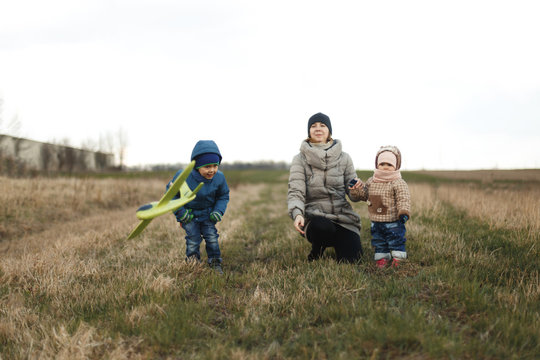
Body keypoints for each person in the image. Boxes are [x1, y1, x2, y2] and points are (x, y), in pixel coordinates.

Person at [287, 112, 363, 263]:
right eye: (313, 126)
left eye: (322, 125)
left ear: (329, 131)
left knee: (353, 260)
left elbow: (353, 195)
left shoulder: (345, 157)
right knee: (321, 226)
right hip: (316, 218)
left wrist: (357, 190)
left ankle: (341, 243)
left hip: (343, 217)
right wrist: (297, 213)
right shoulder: (299, 159)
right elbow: (296, 191)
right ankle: (317, 248)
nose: (318, 129)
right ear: (309, 131)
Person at [166, 140, 230, 274]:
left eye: (215, 165)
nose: (212, 170)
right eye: (207, 166)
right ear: (196, 166)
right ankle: (193, 263)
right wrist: (181, 213)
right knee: (193, 240)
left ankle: (215, 262)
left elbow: (223, 195)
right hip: (189, 215)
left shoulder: (219, 178)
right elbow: (171, 195)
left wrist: (218, 211)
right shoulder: (183, 176)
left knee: (212, 237)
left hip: (208, 214)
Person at [349, 145, 411, 268]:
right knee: (379, 241)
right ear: (377, 164)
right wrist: (356, 189)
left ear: (396, 166)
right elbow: (365, 195)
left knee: (395, 240)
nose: (385, 167)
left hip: (393, 221)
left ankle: (398, 257)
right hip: (376, 221)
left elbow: (403, 198)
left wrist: (403, 212)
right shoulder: (372, 181)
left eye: (389, 164)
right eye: (382, 164)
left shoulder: (398, 182)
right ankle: (382, 258)